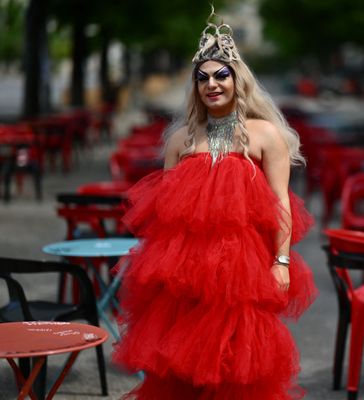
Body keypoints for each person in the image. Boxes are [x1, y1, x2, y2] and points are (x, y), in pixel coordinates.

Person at [113, 8, 317, 399]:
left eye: (221, 75)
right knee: (181, 360)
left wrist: (282, 260)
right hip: (185, 274)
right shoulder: (181, 141)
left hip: (242, 274)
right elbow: (167, 215)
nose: (212, 83)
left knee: (236, 363)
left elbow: (280, 203)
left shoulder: (263, 135)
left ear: (237, 80)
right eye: (202, 77)